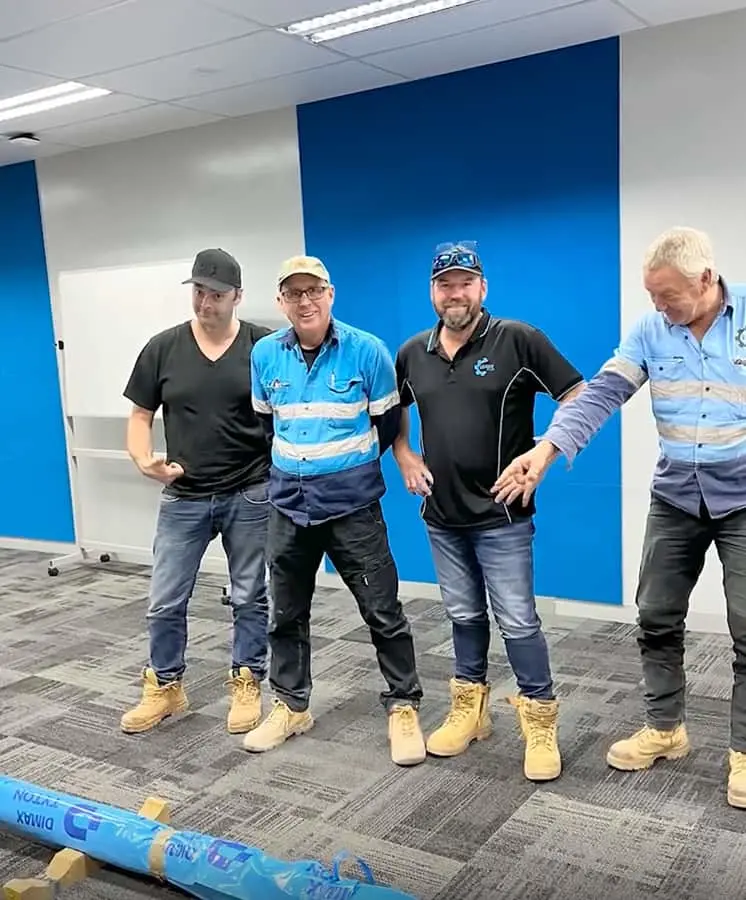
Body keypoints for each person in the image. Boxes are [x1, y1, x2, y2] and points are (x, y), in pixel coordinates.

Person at [494, 226, 746, 808]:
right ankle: (665, 729)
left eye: (668, 296)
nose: (658, 307)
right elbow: (603, 393)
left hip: (742, 502)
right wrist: (546, 450)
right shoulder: (649, 329)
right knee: (655, 615)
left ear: (707, 279)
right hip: (677, 497)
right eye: (651, 296)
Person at [393, 241, 585, 782]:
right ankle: (470, 710)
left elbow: (578, 394)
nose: (455, 294)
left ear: (482, 288)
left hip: (503, 514)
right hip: (441, 515)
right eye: (444, 285)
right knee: (462, 615)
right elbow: (392, 412)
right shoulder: (412, 352)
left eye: (464, 283)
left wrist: (542, 453)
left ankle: (539, 719)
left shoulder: (518, 340)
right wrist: (405, 455)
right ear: (433, 292)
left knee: (518, 620)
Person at [245, 254, 426, 767]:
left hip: (352, 506)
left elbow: (388, 425)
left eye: (314, 291)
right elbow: (266, 424)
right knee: (286, 612)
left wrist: (342, 465)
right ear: (281, 301)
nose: (305, 302)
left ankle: (403, 704)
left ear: (330, 294)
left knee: (382, 611)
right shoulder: (264, 355)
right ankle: (289, 704)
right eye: (293, 294)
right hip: (288, 506)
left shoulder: (368, 351)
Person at [120, 248, 272, 737]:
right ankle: (165, 685)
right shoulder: (163, 347)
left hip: (251, 492)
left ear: (238, 296)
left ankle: (247, 680)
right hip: (184, 495)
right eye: (199, 292)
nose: (206, 303)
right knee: (165, 600)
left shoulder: (263, 347)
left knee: (250, 595)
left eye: (217, 295)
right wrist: (144, 460)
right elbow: (140, 416)